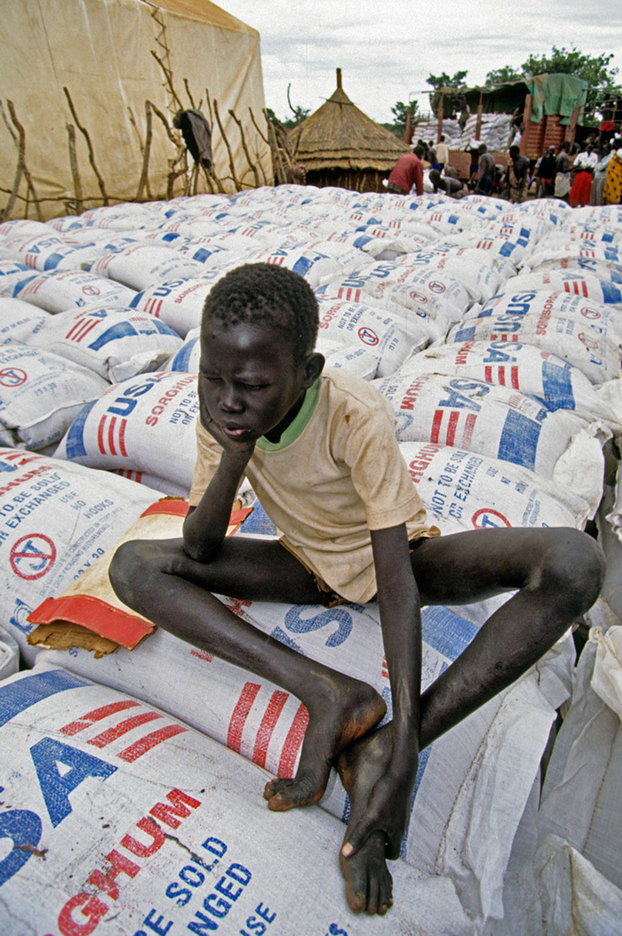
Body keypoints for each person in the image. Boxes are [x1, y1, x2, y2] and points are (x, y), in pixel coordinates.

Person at [109, 263, 605, 917]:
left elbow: (396, 579)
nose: (228, 400)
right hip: (304, 564)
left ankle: (389, 738)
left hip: (404, 560)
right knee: (134, 567)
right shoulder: (225, 416)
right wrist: (235, 452)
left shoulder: (353, 413)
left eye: (252, 386)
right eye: (212, 378)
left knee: (576, 563)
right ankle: (326, 689)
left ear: (307, 374)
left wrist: (402, 756)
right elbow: (200, 544)